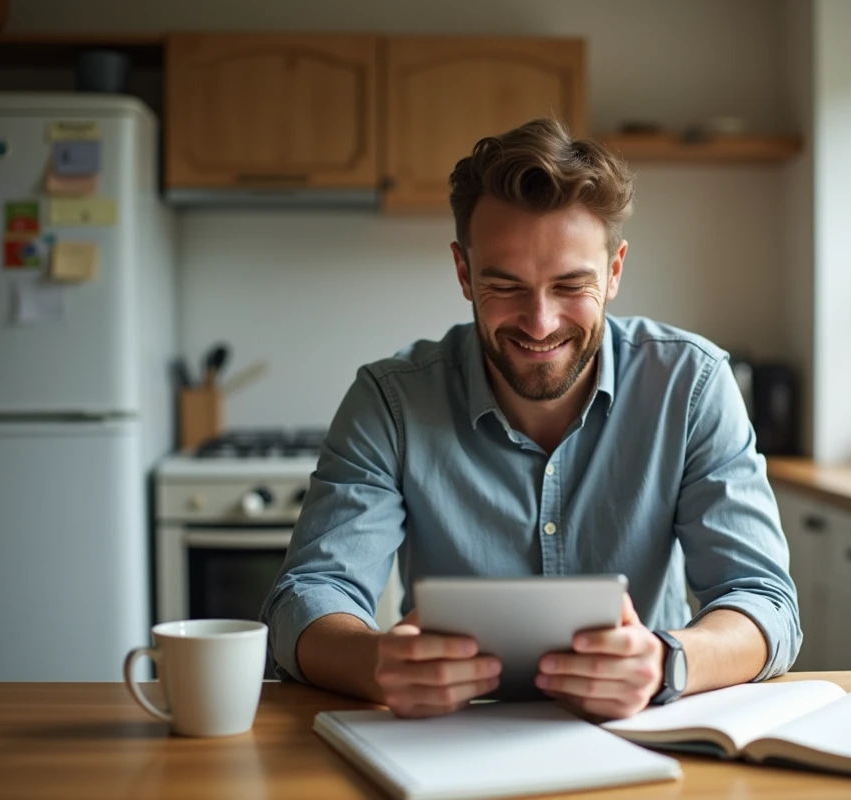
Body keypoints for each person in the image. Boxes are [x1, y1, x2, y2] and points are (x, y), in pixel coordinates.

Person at [261, 118, 799, 720]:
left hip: (640, 731)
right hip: (448, 741)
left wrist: (667, 661)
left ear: (615, 271)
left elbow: (763, 601)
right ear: (464, 274)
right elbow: (305, 598)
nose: (539, 323)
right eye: (506, 286)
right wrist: (374, 662)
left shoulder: (692, 385)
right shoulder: (390, 401)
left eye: (571, 285)